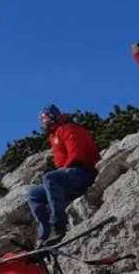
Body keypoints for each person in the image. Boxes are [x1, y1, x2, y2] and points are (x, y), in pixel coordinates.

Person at [27, 105, 101, 247]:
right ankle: (44, 234)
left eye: (45, 117)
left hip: (85, 174)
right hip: (70, 176)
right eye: (41, 119)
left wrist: (60, 172)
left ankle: (58, 226)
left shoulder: (70, 128)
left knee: (50, 178)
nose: (43, 121)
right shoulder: (53, 134)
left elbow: (76, 158)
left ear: (53, 115)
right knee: (33, 194)